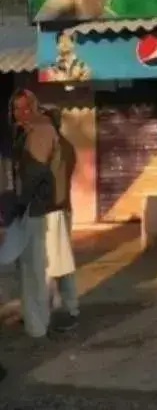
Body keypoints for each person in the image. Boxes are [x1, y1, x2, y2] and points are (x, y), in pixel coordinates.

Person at [5, 89, 78, 337]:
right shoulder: (31, 135)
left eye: (28, 108)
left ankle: (43, 322)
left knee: (40, 270)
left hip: (43, 211)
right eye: (17, 108)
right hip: (49, 209)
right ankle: (52, 315)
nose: (22, 113)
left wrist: (20, 205)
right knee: (52, 267)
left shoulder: (41, 133)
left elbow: (36, 175)